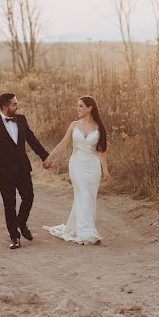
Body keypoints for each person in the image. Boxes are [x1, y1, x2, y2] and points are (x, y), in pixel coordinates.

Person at [0, 93, 49, 250]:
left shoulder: (22, 119)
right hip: (4, 172)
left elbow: (32, 139)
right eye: (14, 104)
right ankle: (14, 236)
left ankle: (21, 222)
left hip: (22, 168)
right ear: (5, 106)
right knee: (9, 204)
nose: (17, 107)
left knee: (29, 197)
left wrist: (45, 157)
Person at [42, 95, 109, 245]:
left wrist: (105, 170)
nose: (77, 109)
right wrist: (49, 157)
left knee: (88, 198)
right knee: (83, 194)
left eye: (81, 106)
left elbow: (101, 151)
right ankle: (88, 233)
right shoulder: (74, 125)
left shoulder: (99, 128)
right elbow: (63, 144)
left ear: (90, 108)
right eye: (77, 106)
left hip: (92, 167)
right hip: (77, 165)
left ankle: (80, 229)